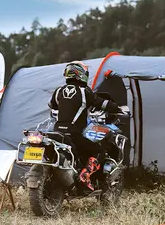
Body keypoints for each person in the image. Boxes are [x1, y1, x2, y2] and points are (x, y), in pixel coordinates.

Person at [48, 60, 121, 190]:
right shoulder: (84, 91)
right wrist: (116, 108)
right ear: (81, 74)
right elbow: (101, 103)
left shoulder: (58, 91)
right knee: (98, 150)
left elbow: (52, 105)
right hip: (74, 133)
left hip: (57, 133)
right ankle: (85, 175)